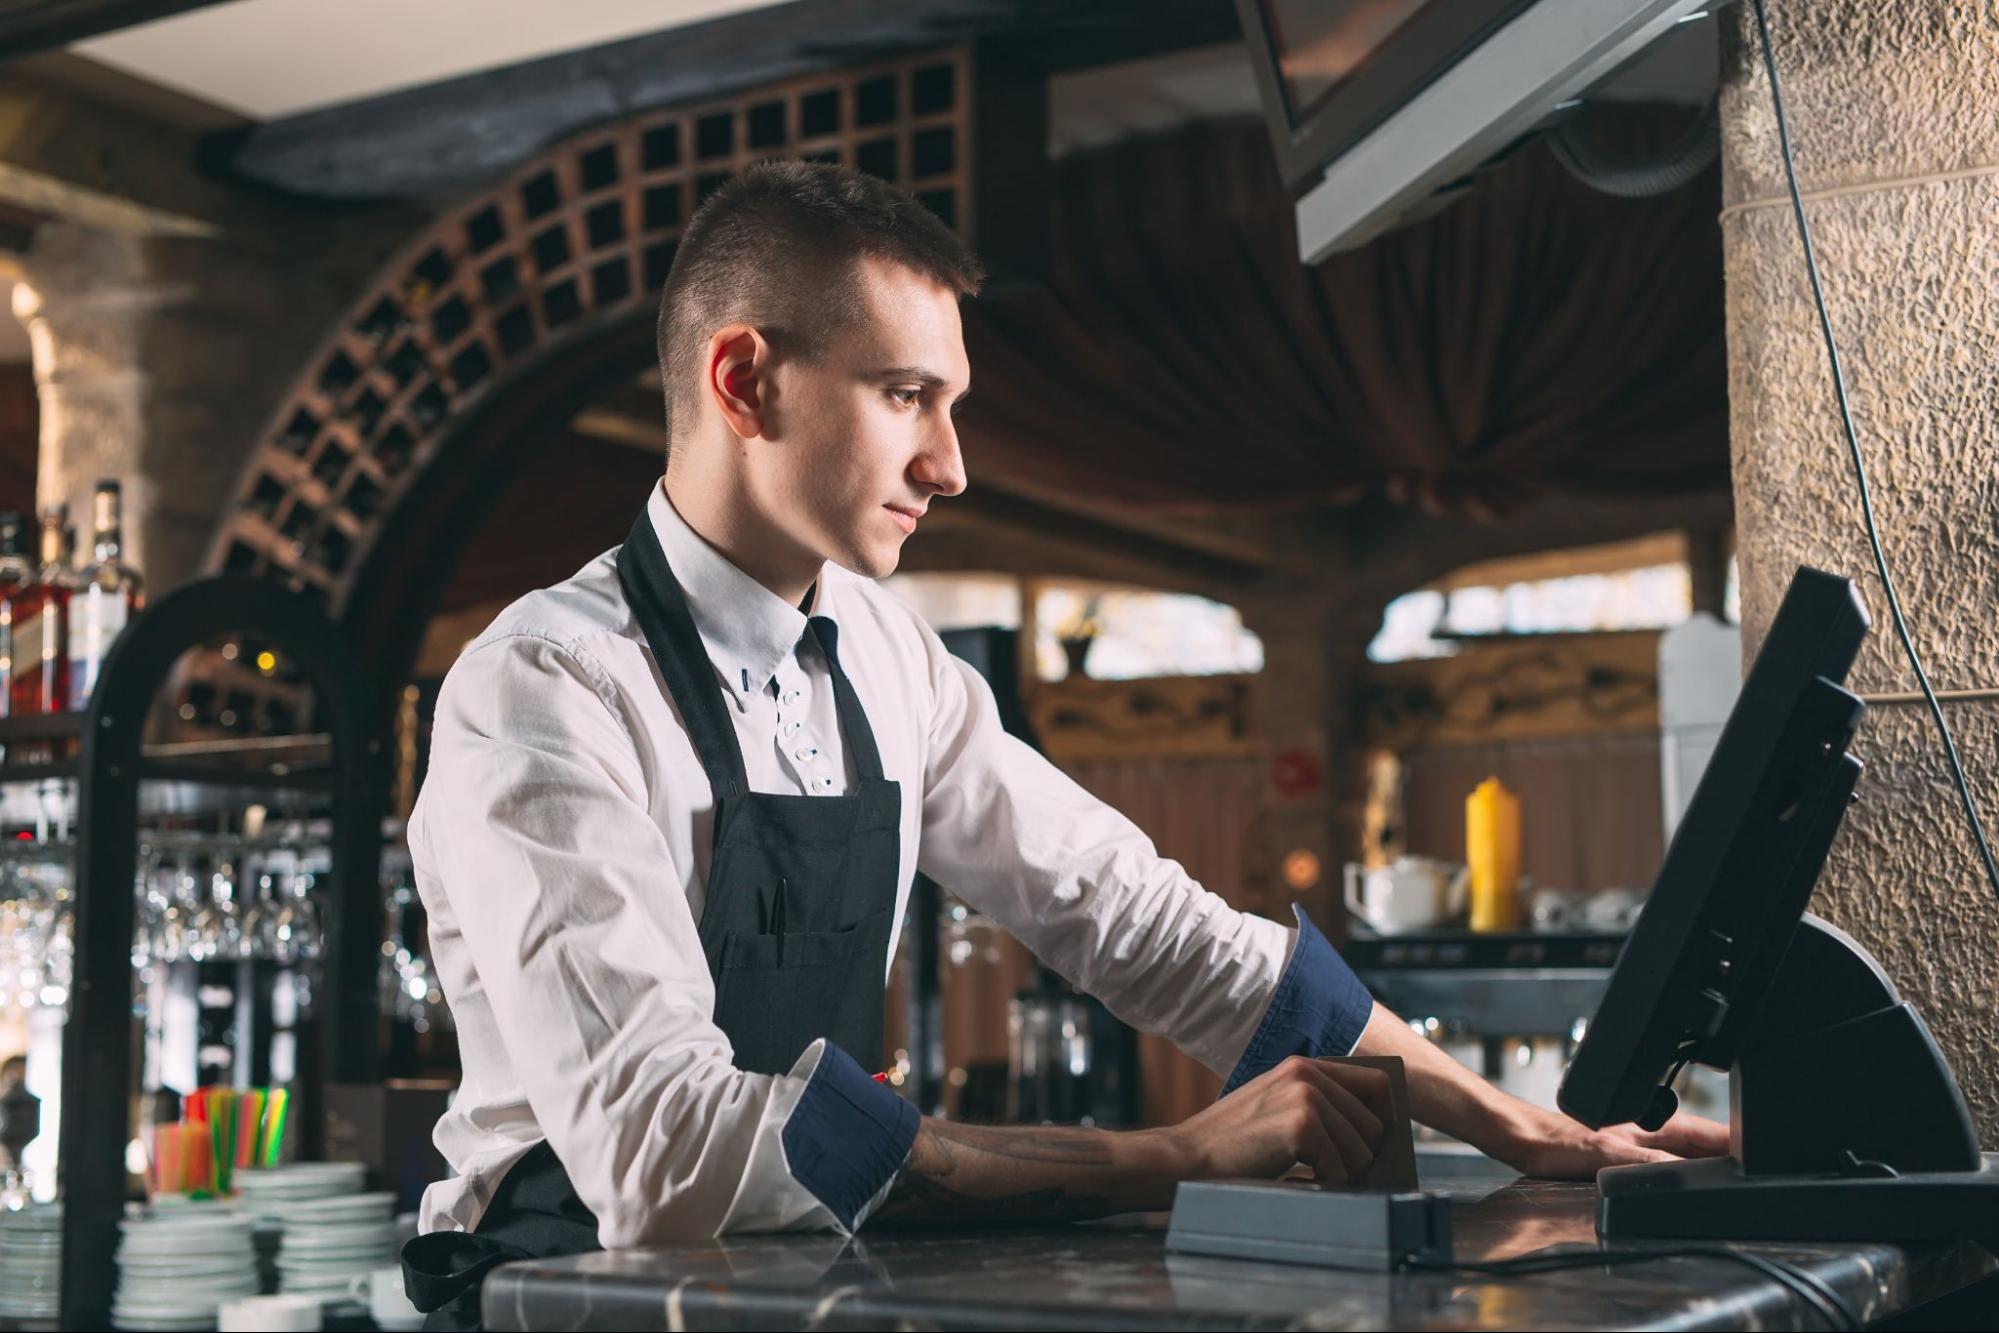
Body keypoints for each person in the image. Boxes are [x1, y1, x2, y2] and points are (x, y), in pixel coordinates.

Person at [400, 161, 1725, 1326]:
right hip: (561, 1287)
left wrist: (1527, 1130)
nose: (953, 463)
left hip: (784, 1282)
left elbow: (1134, 916)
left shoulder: (882, 651)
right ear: (746, 379)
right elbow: (665, 1153)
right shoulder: (543, 688)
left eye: (954, 401)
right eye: (907, 395)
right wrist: (1173, 1155)